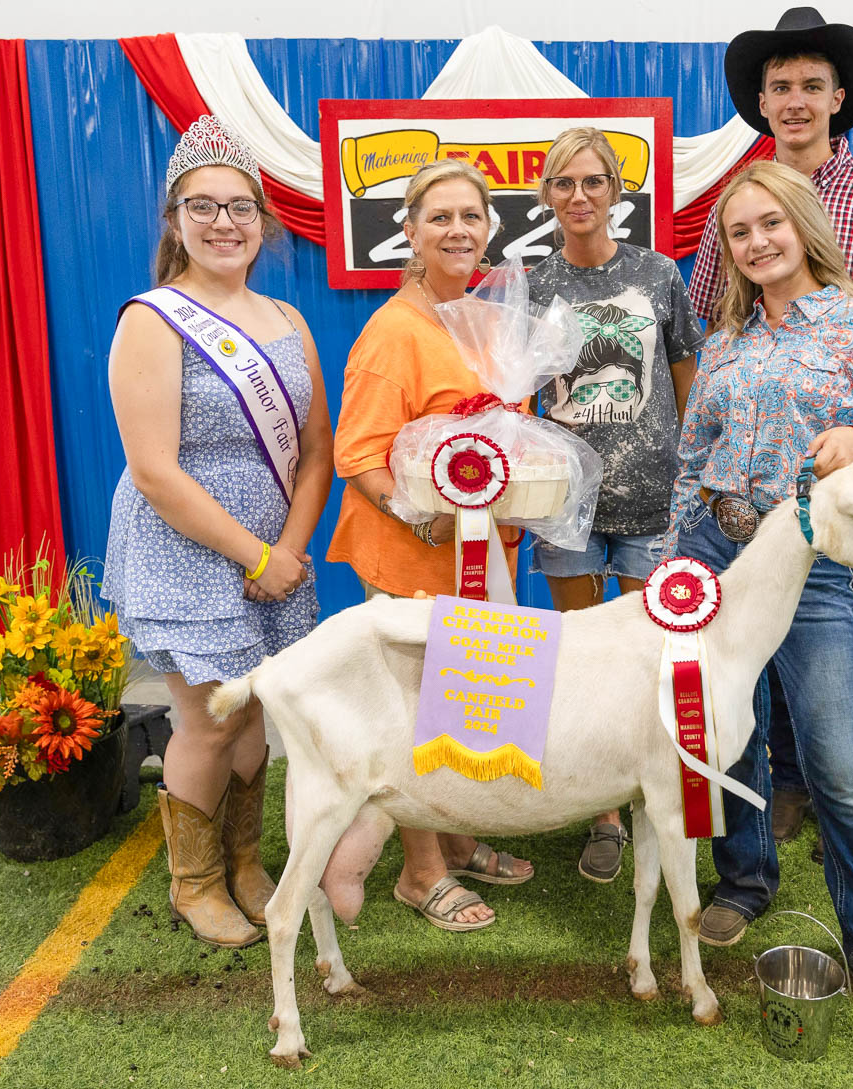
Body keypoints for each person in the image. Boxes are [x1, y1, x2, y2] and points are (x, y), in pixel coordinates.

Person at [667, 160, 853, 1029]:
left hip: (812, 564)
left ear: (804, 224)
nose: (757, 243)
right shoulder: (725, 340)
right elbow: (693, 455)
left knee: (838, 763)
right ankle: (744, 881)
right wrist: (678, 559)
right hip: (717, 552)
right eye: (739, 233)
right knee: (726, 737)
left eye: (769, 224)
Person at [688, 6, 853, 849]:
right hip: (746, 486)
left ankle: (852, 791)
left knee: (845, 643)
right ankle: (779, 794)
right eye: (780, 86)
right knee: (749, 650)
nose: (795, 99)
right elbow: (712, 321)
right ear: (762, 102)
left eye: (811, 84)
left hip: (837, 473)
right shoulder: (734, 204)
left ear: (839, 97)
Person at [103, 116, 333, 948]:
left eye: (239, 207)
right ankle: (194, 882)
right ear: (175, 219)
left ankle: (242, 859)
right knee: (208, 719)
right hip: (185, 549)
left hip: (272, 555)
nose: (223, 223)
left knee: (254, 712)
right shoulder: (153, 320)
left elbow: (317, 451)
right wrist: (258, 554)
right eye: (203, 206)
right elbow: (155, 471)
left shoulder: (287, 318)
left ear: (263, 220)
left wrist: (289, 550)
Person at [324, 158, 534, 931]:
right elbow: (357, 454)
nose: (457, 230)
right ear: (409, 232)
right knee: (413, 713)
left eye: (470, 216)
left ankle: (458, 835)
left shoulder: (487, 322)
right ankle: (420, 871)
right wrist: (422, 518)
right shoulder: (393, 332)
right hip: (413, 557)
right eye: (439, 217)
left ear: (490, 229)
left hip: (485, 556)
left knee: (466, 705)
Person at [526, 127, 704, 883]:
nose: (580, 196)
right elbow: (518, 392)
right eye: (565, 183)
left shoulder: (658, 274)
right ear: (547, 195)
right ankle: (601, 813)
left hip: (653, 501)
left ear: (616, 191)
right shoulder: (532, 286)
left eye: (593, 181)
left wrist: (694, 468)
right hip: (566, 506)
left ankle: (650, 794)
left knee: (648, 658)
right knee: (579, 657)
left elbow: (686, 373)